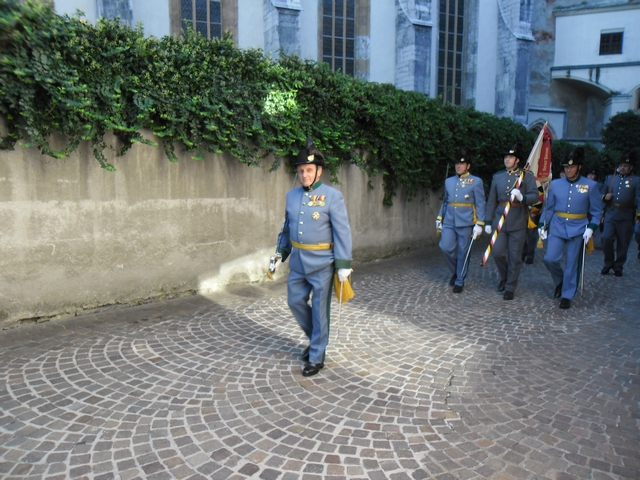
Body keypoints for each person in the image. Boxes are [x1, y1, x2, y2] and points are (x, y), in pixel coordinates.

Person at [273, 140, 352, 377]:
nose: (304, 175)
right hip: (298, 261)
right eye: (301, 171)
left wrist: (343, 264)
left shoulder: (332, 196)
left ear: (319, 170)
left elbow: (342, 231)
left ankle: (317, 355)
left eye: (309, 170)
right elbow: (287, 228)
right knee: (294, 301)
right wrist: (280, 253)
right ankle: (318, 338)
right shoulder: (292, 196)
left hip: (322, 263)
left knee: (319, 310)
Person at [539, 147, 603, 309]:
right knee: (550, 258)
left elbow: (596, 211)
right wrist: (542, 224)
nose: (568, 170)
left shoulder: (590, 185)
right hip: (558, 226)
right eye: (566, 167)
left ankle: (567, 294)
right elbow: (549, 207)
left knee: (571, 264)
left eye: (572, 167)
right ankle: (560, 281)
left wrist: (591, 228)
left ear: (579, 167)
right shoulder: (556, 184)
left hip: (579, 228)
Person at [484, 143, 538, 300]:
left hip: (518, 220)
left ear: (517, 160)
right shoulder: (498, 176)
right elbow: (491, 201)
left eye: (510, 157)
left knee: (515, 256)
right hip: (500, 219)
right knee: (497, 253)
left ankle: (510, 286)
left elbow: (535, 197)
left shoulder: (526, 176)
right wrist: (488, 221)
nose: (507, 159)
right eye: (506, 157)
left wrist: (523, 197)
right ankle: (505, 276)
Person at [436, 148, 486, 293]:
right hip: (449, 221)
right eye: (457, 163)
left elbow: (481, 203)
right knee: (445, 247)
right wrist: (440, 217)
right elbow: (445, 202)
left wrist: (480, 223)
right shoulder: (449, 181)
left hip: (466, 221)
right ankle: (457, 271)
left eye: (462, 164)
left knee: (463, 252)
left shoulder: (476, 182)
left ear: (468, 166)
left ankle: (459, 280)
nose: (459, 166)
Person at [599, 151, 640, 276]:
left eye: (626, 166)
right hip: (611, 213)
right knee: (606, 238)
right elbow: (601, 194)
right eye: (621, 165)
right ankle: (608, 263)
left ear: (630, 167)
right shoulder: (610, 178)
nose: (623, 168)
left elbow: (639, 198)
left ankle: (618, 266)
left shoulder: (636, 180)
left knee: (623, 242)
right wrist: (604, 197)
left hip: (626, 214)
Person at [521, 183, 544, 264]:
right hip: (521, 210)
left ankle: (530, 255)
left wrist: (535, 210)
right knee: (521, 234)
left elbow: (540, 197)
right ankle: (523, 253)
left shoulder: (536, 182)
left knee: (531, 234)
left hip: (533, 211)